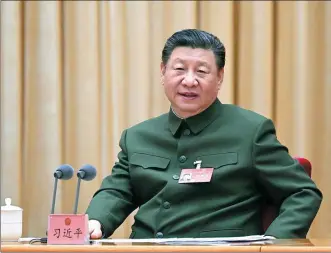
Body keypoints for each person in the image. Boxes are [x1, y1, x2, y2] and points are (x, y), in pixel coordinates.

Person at [86, 29, 322, 239]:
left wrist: (273, 244)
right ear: (163, 71)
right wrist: (96, 221)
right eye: (179, 69)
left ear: (219, 77)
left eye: (201, 71)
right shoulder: (137, 136)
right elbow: (117, 192)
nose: (189, 80)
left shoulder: (250, 130)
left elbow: (302, 192)